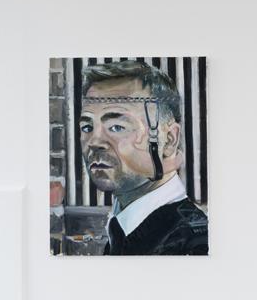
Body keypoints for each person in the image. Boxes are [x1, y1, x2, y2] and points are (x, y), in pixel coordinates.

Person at [79, 60, 208, 256]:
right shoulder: (121, 228)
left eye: (117, 127)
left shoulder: (195, 244)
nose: (94, 142)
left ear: (169, 140)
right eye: (87, 127)